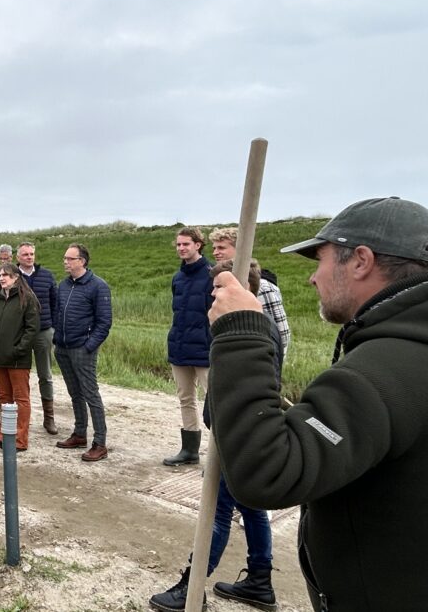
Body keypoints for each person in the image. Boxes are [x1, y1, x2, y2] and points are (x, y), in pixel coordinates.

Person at [208, 197, 428, 611]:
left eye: (319, 260)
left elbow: (268, 471)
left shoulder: (380, 374)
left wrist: (240, 333)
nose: (312, 279)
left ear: (361, 261)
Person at [150, 259, 279, 612]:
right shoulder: (249, 327)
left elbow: (245, 391)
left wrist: (227, 432)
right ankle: (259, 581)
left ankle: (191, 588)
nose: (212, 293)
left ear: (243, 289)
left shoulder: (246, 332)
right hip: (241, 433)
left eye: (220, 286)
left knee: (217, 512)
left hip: (236, 437)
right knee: (252, 509)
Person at [53, 243, 113, 461]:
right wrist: (56, 338)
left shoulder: (98, 286)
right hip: (63, 348)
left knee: (90, 393)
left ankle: (100, 442)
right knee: (74, 393)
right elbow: (57, 313)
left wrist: (89, 346)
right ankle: (79, 434)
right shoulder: (63, 285)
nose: (66, 262)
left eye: (70, 259)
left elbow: (104, 322)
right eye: (65, 258)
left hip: (83, 349)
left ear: (82, 261)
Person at [163, 226, 213, 467]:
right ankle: (189, 450)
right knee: (186, 399)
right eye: (178, 245)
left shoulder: (213, 274)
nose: (181, 248)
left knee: (214, 402)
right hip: (180, 347)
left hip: (205, 350)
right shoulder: (178, 277)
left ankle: (219, 455)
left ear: (198, 245)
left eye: (186, 244)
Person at [210, 226, 291, 357]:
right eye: (214, 248)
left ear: (240, 249)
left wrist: (275, 364)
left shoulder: (264, 286)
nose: (215, 252)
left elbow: (281, 331)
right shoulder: (219, 284)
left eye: (221, 248)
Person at [0, 262, 39, 451]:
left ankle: (20, 440)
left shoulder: (27, 298)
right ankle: (4, 435)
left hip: (17, 359)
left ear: (16, 277)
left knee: (21, 399)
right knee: (4, 398)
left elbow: (32, 330)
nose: (1, 278)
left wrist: (19, 350)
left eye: (5, 275)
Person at [14, 241, 60, 434]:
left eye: (32, 254)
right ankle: (20, 417)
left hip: (43, 331)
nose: (29, 257)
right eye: (25, 254)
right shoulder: (10, 277)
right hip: (20, 332)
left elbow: (55, 303)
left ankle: (49, 418)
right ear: (18, 257)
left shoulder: (47, 276)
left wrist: (54, 328)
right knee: (19, 376)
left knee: (45, 375)